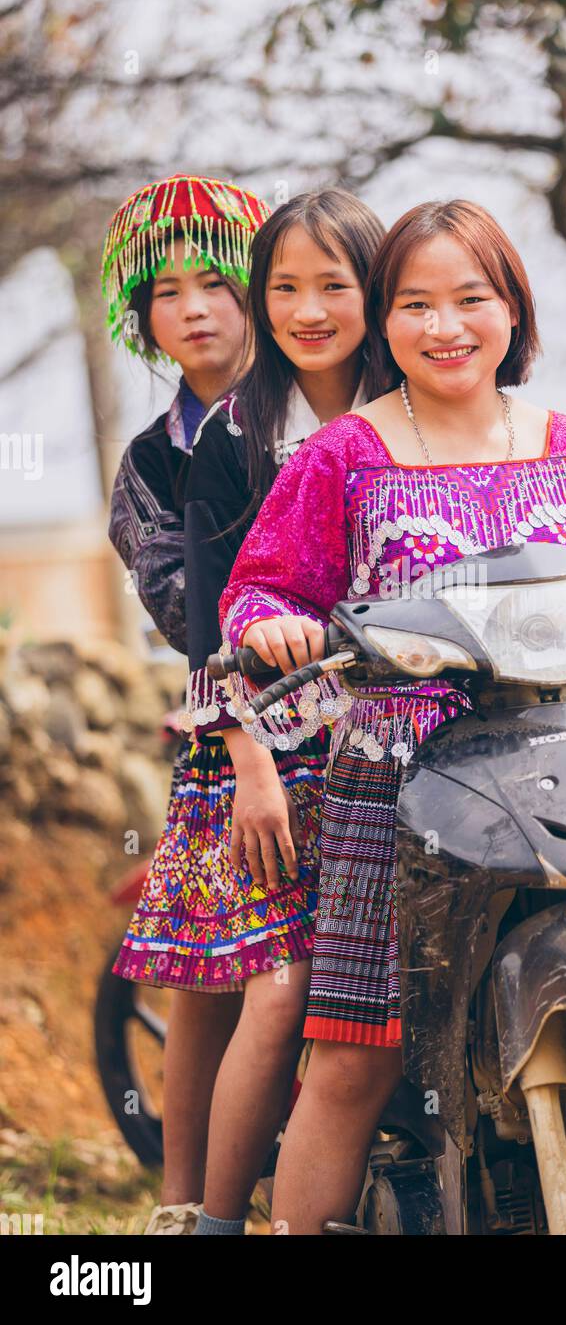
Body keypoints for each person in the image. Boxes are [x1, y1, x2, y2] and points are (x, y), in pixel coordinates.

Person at [217, 199, 566, 1233]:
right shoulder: (344, 455)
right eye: (416, 304)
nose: (446, 327)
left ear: (512, 310)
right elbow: (260, 589)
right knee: (353, 1056)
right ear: (384, 325)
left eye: (471, 299)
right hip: (400, 784)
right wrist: (273, 629)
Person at [181, 188, 386, 1237]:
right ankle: (216, 1222)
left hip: (403, 736)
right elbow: (200, 620)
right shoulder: (233, 433)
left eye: (334, 285)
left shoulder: (418, 406)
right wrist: (249, 760)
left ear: (375, 289)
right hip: (265, 748)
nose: (308, 309)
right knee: (284, 981)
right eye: (285, 287)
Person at [104, 173, 271, 1234]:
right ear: (143, 318)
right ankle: (182, 1209)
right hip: (229, 726)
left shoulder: (327, 412)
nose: (196, 306)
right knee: (209, 973)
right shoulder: (152, 462)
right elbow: (182, 605)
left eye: (217, 279)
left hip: (375, 701)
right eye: (167, 291)